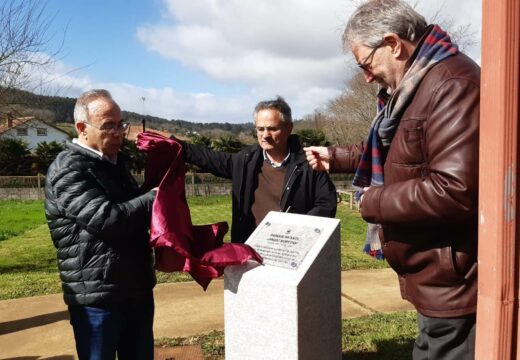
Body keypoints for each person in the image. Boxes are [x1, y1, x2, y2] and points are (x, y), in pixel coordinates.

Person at [304, 1, 479, 359]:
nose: (367, 77)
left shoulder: (451, 85)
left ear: (394, 44)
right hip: (433, 274)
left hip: (452, 281)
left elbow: (454, 191)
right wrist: (335, 156)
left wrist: (371, 201)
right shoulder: (417, 85)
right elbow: (403, 152)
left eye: (366, 64)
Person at [44, 89, 157, 359]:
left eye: (121, 125)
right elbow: (108, 219)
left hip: (135, 290)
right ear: (82, 128)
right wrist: (156, 198)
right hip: (97, 300)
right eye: (108, 126)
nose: (118, 133)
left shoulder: (113, 164)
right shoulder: (68, 170)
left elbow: (134, 212)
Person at [178, 96, 337, 244]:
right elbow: (208, 158)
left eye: (272, 129)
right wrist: (174, 145)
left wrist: (295, 232)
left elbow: (326, 204)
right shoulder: (245, 160)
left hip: (290, 250)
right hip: (250, 250)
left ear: (289, 128)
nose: (265, 135)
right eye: (260, 129)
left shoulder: (310, 163)